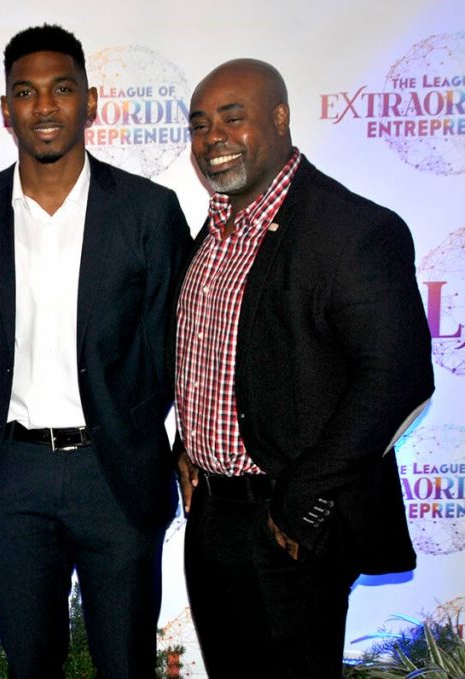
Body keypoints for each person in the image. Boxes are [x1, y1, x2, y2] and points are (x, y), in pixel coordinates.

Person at [0, 24, 191, 677]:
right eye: (25, 92)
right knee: (30, 665)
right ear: (5, 110)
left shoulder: (148, 211)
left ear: (91, 101)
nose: (44, 107)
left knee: (125, 663)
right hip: (12, 475)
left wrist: (161, 437)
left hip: (114, 472)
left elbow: (177, 347)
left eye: (61, 89)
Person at [175, 58, 434, 677]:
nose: (214, 138)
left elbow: (398, 379)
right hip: (212, 517)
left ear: (281, 118)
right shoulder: (214, 233)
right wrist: (187, 446)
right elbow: (224, 358)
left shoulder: (352, 229)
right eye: (200, 124)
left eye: (232, 118)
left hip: (288, 528)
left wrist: (301, 503)